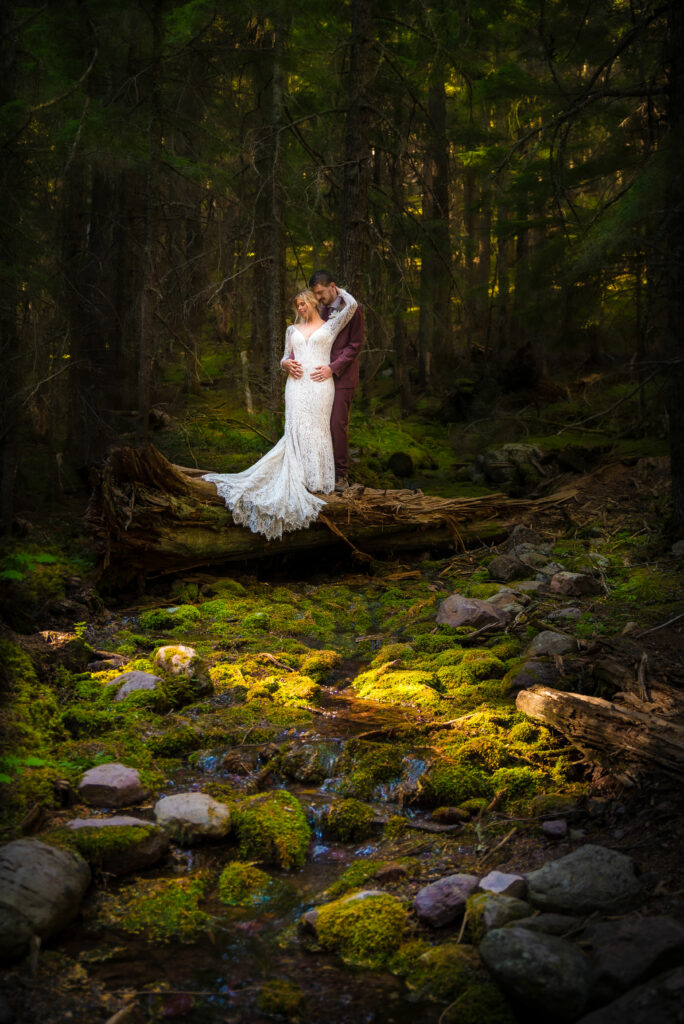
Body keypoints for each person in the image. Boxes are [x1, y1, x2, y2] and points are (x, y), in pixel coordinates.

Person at [202, 286, 358, 540]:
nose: (299, 309)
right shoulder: (291, 330)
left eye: (302, 304)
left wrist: (337, 290)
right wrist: (285, 364)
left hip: (320, 386)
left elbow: (350, 307)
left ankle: (316, 479)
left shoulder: (330, 326)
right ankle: (298, 476)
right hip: (296, 386)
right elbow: (285, 357)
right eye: (296, 306)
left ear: (312, 302)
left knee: (317, 427)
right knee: (296, 427)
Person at [305, 269, 364, 492]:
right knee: (318, 423)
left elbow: (354, 345)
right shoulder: (319, 308)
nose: (318, 298)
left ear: (332, 286)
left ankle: (341, 475)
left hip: (342, 376)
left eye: (320, 292)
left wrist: (333, 368)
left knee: (337, 424)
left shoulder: (352, 309)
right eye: (315, 294)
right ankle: (319, 471)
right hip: (319, 374)